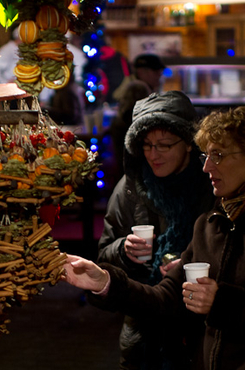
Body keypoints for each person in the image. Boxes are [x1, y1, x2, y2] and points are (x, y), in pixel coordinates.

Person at [65, 107, 245, 370]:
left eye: (218, 155)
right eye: (206, 155)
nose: (206, 167)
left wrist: (223, 304)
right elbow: (164, 300)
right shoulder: (210, 224)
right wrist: (106, 283)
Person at [98, 91, 215, 370]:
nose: (153, 155)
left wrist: (191, 265)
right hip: (143, 333)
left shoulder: (213, 185)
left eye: (164, 145)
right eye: (147, 145)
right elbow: (103, 255)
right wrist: (123, 251)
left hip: (202, 332)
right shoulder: (130, 188)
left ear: (188, 143)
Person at [110, 54, 166, 179]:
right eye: (156, 71)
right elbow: (134, 121)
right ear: (142, 71)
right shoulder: (138, 88)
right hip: (134, 162)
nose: (160, 74)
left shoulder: (138, 86)